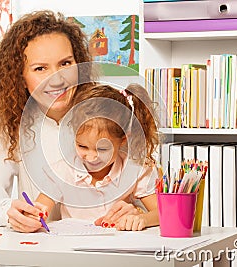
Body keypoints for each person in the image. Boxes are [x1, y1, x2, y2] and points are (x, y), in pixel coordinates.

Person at [0, 10, 140, 233]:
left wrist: (136, 211)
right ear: (19, 76)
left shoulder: (107, 115)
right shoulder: (14, 126)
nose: (57, 79)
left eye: (65, 64)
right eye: (40, 68)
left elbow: (145, 188)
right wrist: (9, 212)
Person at [28, 83, 160, 231]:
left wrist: (141, 218)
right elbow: (38, 210)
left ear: (123, 140)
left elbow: (162, 213)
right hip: (72, 248)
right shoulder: (62, 170)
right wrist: (31, 217)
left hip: (118, 248)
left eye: (102, 149)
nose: (91, 157)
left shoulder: (134, 168)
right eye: (82, 146)